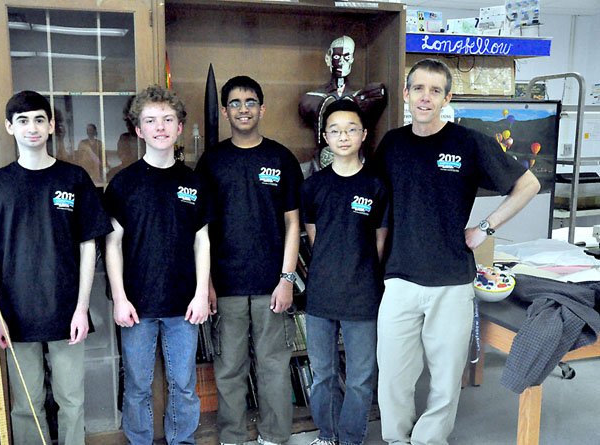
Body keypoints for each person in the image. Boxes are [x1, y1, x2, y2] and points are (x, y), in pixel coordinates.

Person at [372, 58, 541, 445]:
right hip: (399, 278)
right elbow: (377, 208)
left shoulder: (467, 142)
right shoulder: (393, 144)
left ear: (447, 97)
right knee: (394, 375)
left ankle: (428, 440)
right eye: (418, 88)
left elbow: (528, 184)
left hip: (451, 280)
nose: (425, 97)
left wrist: (486, 227)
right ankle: (397, 439)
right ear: (406, 93)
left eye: (435, 90)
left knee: (445, 379)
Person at [0, 90, 113, 445]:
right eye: (23, 120)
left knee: (71, 400)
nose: (32, 128)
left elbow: (89, 247)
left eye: (40, 120)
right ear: (9, 127)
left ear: (52, 126)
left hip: (66, 311)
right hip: (15, 313)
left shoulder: (74, 180)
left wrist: (82, 310)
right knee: (25, 404)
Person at [195, 75, 303, 445]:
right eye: (236, 103)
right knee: (228, 369)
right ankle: (232, 437)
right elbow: (201, 230)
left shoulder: (281, 158)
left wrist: (287, 278)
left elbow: (294, 223)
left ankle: (275, 436)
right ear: (225, 111)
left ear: (262, 108)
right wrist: (205, 282)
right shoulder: (211, 161)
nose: (244, 109)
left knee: (274, 365)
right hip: (225, 285)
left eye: (250, 102)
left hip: (272, 284)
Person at [104, 85, 210, 444]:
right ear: (139, 130)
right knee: (136, 384)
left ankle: (183, 440)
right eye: (151, 120)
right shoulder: (123, 184)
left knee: (183, 384)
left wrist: (200, 294)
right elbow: (112, 244)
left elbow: (202, 241)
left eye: (168, 119)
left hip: (184, 305)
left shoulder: (194, 182)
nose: (160, 127)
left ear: (180, 127)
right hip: (136, 304)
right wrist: (119, 297)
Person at [300, 100, 388, 445]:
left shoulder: (376, 186)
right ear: (325, 137)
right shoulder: (313, 186)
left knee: (360, 377)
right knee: (322, 374)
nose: (343, 136)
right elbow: (314, 236)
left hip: (363, 293)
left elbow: (379, 242)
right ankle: (326, 434)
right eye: (335, 130)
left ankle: (351, 438)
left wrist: (358, 269)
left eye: (351, 129)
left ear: (364, 135)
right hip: (321, 293)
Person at [299, 35, 385, 167]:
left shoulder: (363, 95)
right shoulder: (311, 98)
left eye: (346, 57)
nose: (341, 62)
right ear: (329, 59)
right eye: (337, 57)